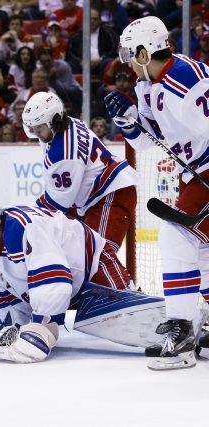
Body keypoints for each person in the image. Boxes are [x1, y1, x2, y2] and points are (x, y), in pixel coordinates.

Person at [104, 16, 209, 370]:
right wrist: (128, 120)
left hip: (206, 171)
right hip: (193, 176)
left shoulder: (188, 81)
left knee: (176, 236)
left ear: (145, 52)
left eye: (130, 55)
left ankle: (180, 333)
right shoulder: (147, 84)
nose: (127, 62)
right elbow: (146, 143)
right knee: (202, 250)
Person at [0, 194, 133, 363]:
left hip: (91, 260)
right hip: (67, 272)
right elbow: (4, 290)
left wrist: (42, 327)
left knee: (127, 313)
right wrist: (14, 325)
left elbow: (54, 279)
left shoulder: (22, 229)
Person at [23, 92, 139, 253]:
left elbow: (57, 203)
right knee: (74, 255)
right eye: (32, 127)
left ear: (52, 121)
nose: (35, 132)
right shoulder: (67, 123)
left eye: (39, 126)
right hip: (96, 197)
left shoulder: (63, 152)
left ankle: (122, 280)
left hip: (110, 196)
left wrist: (23, 219)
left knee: (97, 258)